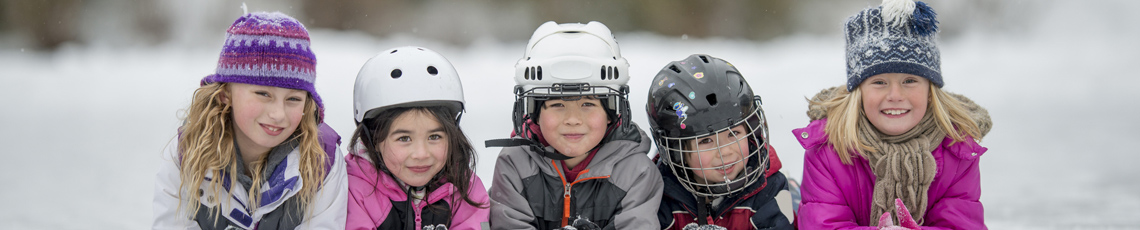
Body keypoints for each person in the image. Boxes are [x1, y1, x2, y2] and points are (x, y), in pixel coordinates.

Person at [795, 0, 992, 229]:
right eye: (879, 82)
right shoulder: (828, 150)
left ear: (930, 91)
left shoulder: (958, 150)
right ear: (859, 92)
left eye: (910, 81)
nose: (895, 95)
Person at [152, 11, 348, 229]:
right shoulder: (188, 151)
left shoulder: (323, 158)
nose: (278, 114)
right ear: (226, 94)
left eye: (293, 99)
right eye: (263, 94)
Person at [486, 21, 663, 230]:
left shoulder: (636, 172)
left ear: (611, 113)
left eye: (588, 104)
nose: (573, 119)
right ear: (535, 114)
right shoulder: (515, 164)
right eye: (557, 104)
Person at [344, 46, 489, 230]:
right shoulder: (355, 190)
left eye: (434, 136)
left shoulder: (464, 189)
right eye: (404, 138)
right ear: (373, 139)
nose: (421, 154)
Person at [646, 54, 795, 230]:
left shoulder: (771, 186)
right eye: (706, 140)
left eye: (734, 133)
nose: (725, 151)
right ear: (676, 152)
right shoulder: (659, 196)